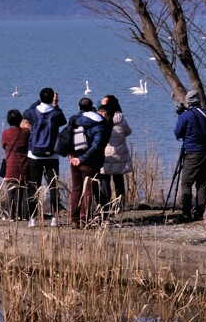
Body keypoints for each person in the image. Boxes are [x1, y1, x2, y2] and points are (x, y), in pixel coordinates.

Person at [23, 87, 67, 227]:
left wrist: (39, 101)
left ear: (40, 98)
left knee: (33, 187)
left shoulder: (33, 112)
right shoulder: (56, 113)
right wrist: (56, 104)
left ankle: (32, 219)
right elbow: (63, 121)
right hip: (52, 155)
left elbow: (26, 112)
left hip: (34, 155)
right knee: (53, 187)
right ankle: (55, 219)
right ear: (53, 98)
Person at [172, 90, 206, 222]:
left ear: (187, 102)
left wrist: (181, 116)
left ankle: (186, 213)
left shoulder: (185, 116)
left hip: (192, 152)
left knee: (186, 182)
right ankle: (200, 212)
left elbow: (178, 133)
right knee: (201, 182)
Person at [68, 97, 108, 227]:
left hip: (74, 159)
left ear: (79, 107)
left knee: (76, 189)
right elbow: (96, 146)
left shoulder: (74, 120)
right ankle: (84, 219)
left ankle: (74, 219)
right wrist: (83, 158)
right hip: (90, 161)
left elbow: (67, 137)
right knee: (88, 190)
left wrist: (72, 156)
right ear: (92, 107)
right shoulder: (100, 122)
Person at [98, 94, 132, 214]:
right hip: (120, 155)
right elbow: (128, 132)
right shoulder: (122, 120)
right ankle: (120, 205)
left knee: (105, 180)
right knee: (119, 180)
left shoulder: (102, 121)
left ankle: (105, 205)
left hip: (106, 154)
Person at [0, 110, 32, 220]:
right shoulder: (26, 132)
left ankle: (10, 215)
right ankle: (24, 214)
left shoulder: (6, 133)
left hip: (11, 164)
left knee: (11, 191)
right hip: (24, 163)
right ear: (20, 120)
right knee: (24, 190)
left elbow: (3, 145)